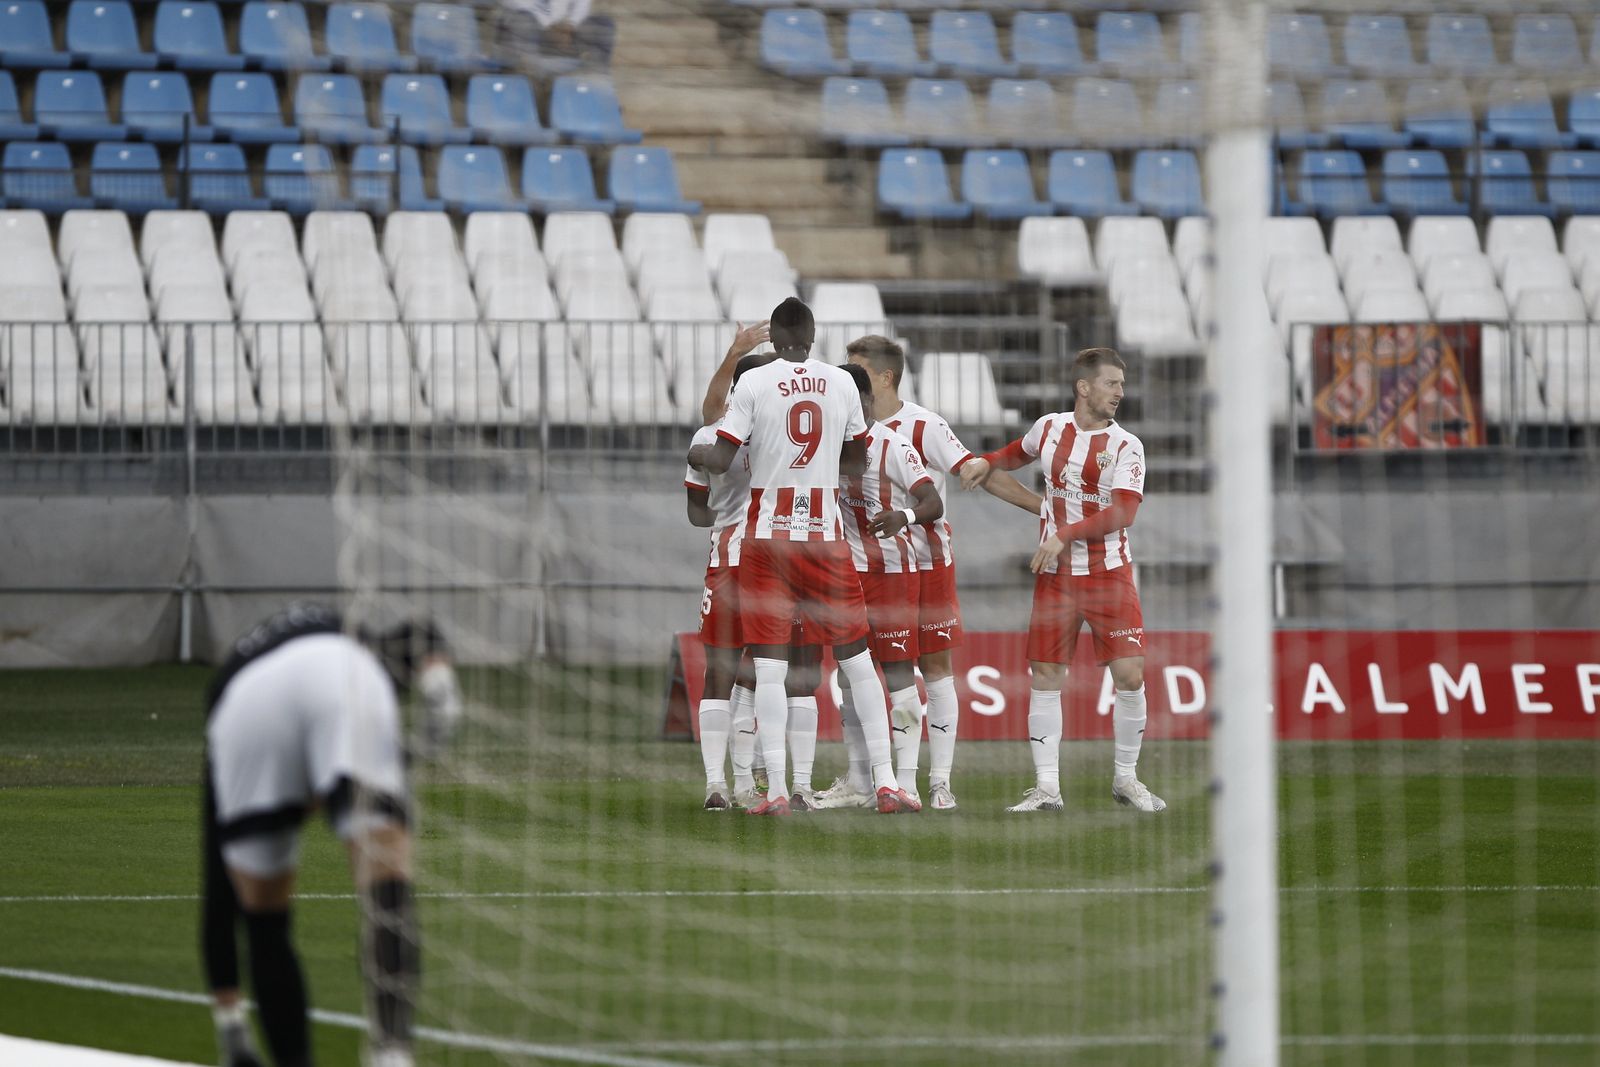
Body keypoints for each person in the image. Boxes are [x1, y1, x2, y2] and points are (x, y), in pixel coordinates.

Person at [200, 603, 464, 1067]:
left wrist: (232, 1029)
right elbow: (421, 632)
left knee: (264, 919)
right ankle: (392, 1054)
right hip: (340, 675)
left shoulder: (246, 671)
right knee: (387, 881)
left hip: (243, 707)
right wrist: (439, 681)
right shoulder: (352, 638)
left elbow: (217, 893)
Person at [688, 298, 919, 816]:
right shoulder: (841, 381)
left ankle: (772, 794)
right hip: (825, 537)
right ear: (813, 337)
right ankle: (886, 783)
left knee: (768, 669)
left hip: (767, 540)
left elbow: (722, 457)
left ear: (775, 339)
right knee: (857, 661)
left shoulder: (754, 382)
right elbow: (857, 462)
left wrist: (700, 454)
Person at [962, 347, 1165, 814]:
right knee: (1047, 675)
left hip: (1109, 573)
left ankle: (1126, 779)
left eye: (1122, 383)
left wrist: (1064, 534)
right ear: (1084, 387)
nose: (1120, 392)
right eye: (1111, 383)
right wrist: (984, 460)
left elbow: (1125, 512)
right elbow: (1014, 454)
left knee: (1130, 675)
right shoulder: (1050, 427)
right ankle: (1047, 788)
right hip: (1055, 578)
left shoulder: (1126, 445)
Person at [842, 336, 989, 811]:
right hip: (863, 567)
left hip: (925, 562)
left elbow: (972, 472)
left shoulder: (921, 427)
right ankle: (861, 777)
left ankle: (936, 779)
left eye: (857, 369)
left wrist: (1040, 507)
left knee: (932, 668)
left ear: (882, 378)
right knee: (858, 673)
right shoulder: (838, 432)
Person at [812, 362, 944, 808]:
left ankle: (904, 780)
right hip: (844, 576)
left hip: (891, 575)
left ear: (867, 399)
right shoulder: (826, 444)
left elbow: (933, 501)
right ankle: (859, 782)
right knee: (850, 677)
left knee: (898, 676)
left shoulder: (893, 445)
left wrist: (903, 516)